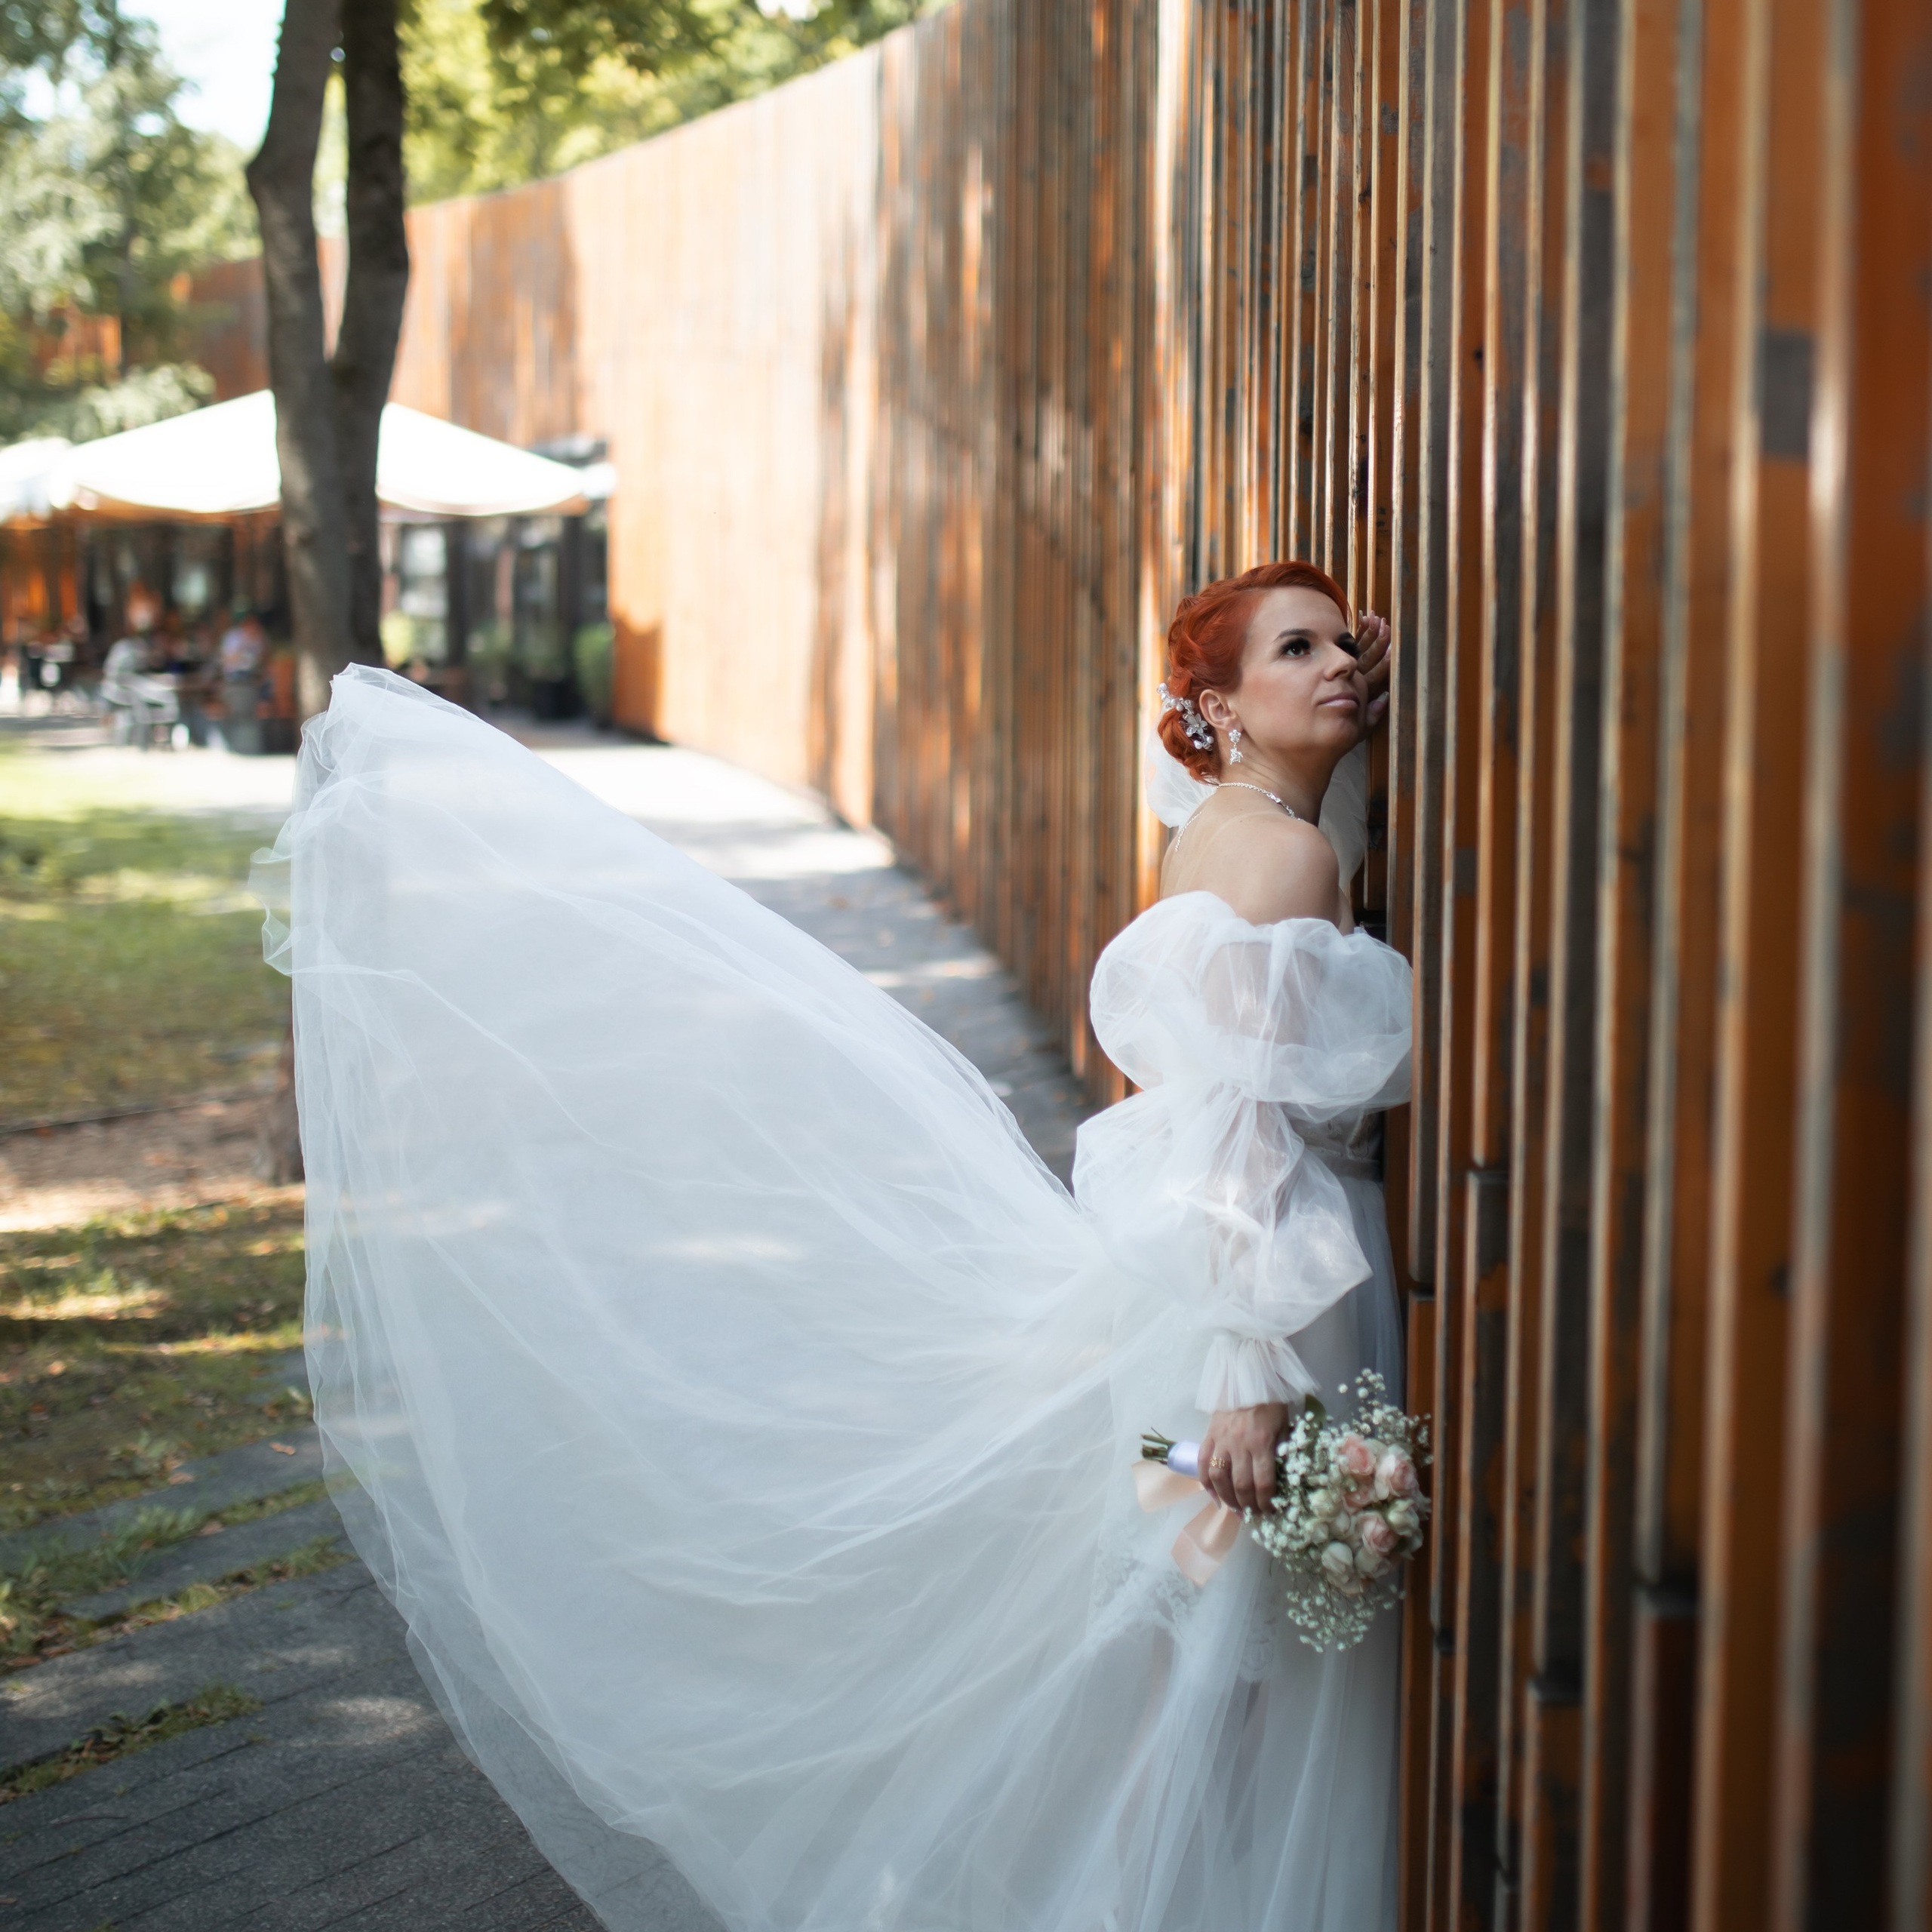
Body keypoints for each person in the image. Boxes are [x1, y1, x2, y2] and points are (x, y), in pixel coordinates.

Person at [253, 558, 1407, 1932]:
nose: (1338, 664)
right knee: (1235, 1679)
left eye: (1347, 646)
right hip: (1260, 1308)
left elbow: (1235, 943)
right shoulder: (1285, 851)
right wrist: (1248, 1368)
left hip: (1182, 1303)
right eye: (1297, 650)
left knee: (1189, 1651)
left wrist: (1322, 695)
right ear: (1214, 699)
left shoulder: (1222, 822)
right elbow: (1238, 1126)